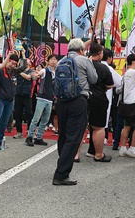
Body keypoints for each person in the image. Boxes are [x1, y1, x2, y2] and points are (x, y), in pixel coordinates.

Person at [52, 38, 98, 186]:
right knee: (74, 137)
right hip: (78, 100)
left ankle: (62, 165)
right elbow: (94, 79)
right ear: (81, 49)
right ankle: (61, 174)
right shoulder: (84, 60)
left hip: (61, 101)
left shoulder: (61, 61)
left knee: (64, 135)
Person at [0, 54, 26, 150]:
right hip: (0, 99)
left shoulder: (14, 71)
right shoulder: (0, 71)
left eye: (15, 63)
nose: (13, 65)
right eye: (11, 62)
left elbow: (23, 66)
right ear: (7, 60)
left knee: (5, 122)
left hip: (10, 100)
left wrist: (23, 54)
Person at [86, 43, 114, 162]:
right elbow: (110, 84)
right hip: (98, 98)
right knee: (98, 128)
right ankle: (98, 154)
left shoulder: (82, 64)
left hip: (82, 97)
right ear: (99, 54)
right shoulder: (103, 67)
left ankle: (75, 155)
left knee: (80, 127)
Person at [26, 54, 57, 147]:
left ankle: (39, 137)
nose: (53, 61)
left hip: (50, 99)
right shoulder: (44, 70)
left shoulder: (56, 72)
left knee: (45, 119)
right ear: (48, 61)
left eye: (55, 59)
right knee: (36, 118)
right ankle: (29, 137)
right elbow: (39, 74)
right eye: (51, 59)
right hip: (42, 98)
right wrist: (36, 75)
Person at [13, 59, 36, 139]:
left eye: (27, 61)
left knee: (29, 113)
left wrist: (18, 71)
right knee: (17, 113)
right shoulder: (17, 71)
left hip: (27, 95)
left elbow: (28, 77)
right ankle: (19, 132)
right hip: (18, 93)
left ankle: (30, 130)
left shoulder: (32, 71)